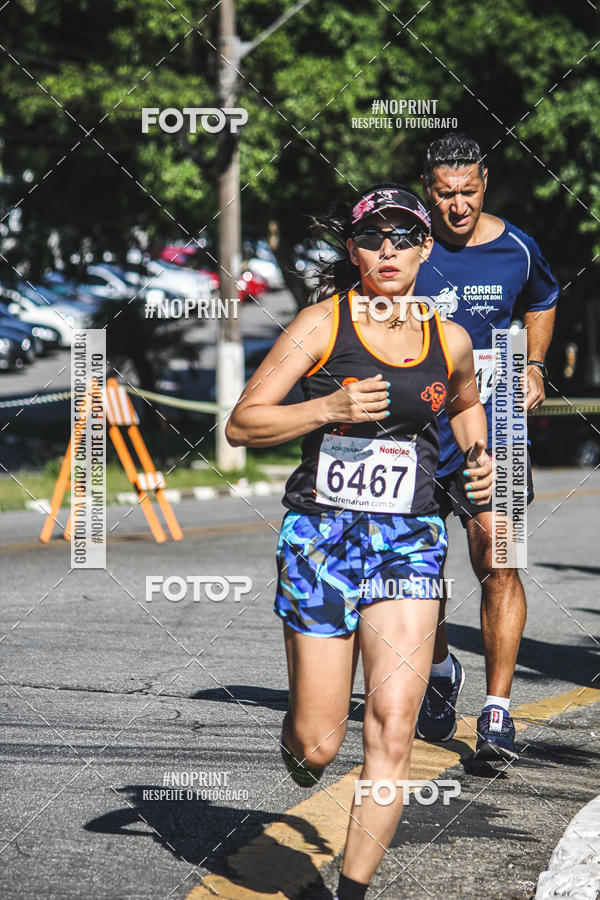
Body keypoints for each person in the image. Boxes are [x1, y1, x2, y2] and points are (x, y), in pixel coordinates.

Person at [226, 183, 493, 899]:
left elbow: (465, 405)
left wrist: (478, 459)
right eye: (374, 238)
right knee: (318, 742)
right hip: (321, 537)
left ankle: (352, 894)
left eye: (405, 237)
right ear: (354, 249)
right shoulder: (321, 325)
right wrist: (329, 406)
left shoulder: (449, 337)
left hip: (409, 539)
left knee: (391, 730)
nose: (389, 250)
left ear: (425, 247)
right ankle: (301, 747)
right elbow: (243, 423)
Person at [414, 133, 558, 761]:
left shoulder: (516, 249)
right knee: (418, 572)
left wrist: (536, 365)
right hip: (413, 435)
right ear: (429, 191)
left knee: (497, 557)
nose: (457, 206)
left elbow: (545, 299)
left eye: (468, 191)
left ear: (485, 182)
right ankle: (441, 671)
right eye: (445, 194)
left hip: (496, 432)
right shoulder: (407, 246)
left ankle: (497, 711)